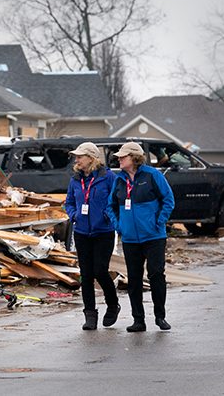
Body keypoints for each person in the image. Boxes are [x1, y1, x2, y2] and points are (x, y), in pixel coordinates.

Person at [107, 142, 175, 332]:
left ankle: (160, 317)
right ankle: (139, 320)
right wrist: (119, 226)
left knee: (156, 274)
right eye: (119, 157)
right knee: (134, 280)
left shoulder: (152, 175)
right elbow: (110, 206)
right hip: (130, 239)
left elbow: (168, 200)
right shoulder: (119, 180)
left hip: (153, 236)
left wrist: (159, 222)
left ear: (134, 158)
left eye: (123, 157)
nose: (119, 159)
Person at [65, 142, 120, 330]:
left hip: (103, 232)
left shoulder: (108, 177)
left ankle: (113, 305)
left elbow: (116, 201)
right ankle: (90, 314)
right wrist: (74, 215)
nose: (77, 159)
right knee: (86, 274)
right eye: (76, 156)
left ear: (91, 158)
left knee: (100, 271)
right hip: (81, 232)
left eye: (80, 156)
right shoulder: (75, 179)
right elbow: (69, 202)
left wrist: (107, 216)